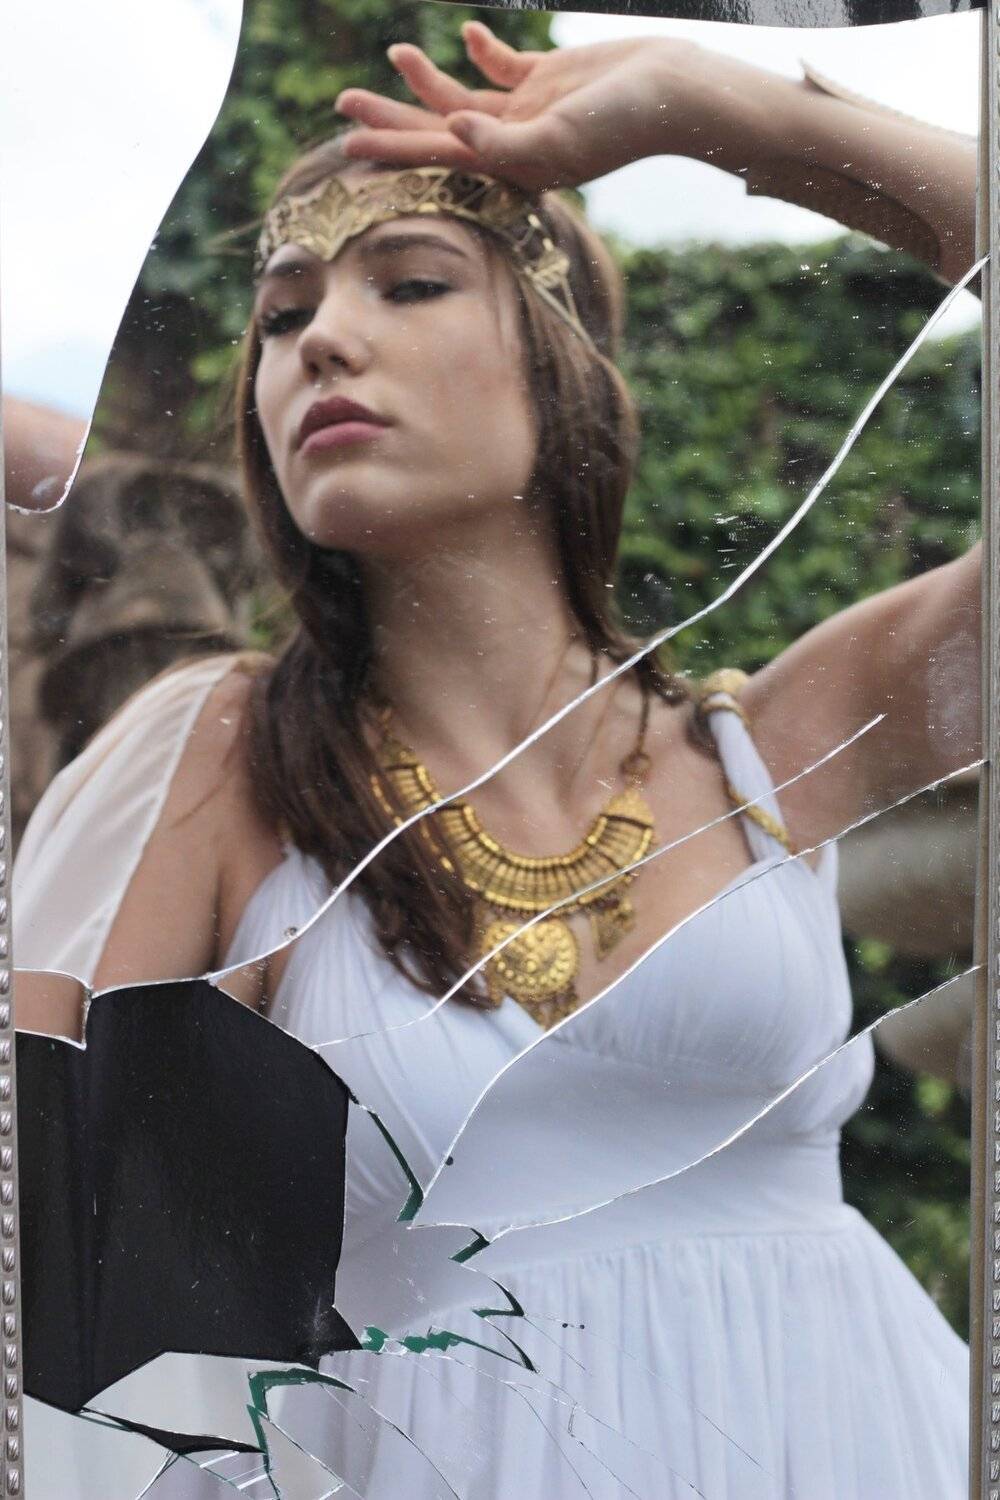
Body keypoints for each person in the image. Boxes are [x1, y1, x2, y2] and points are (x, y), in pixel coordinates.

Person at [13, 21, 979, 1499]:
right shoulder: (220, 760)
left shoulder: (773, 748)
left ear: (562, 362)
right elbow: (40, 1273)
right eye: (282, 315)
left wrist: (716, 109)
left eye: (408, 284)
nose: (322, 341)